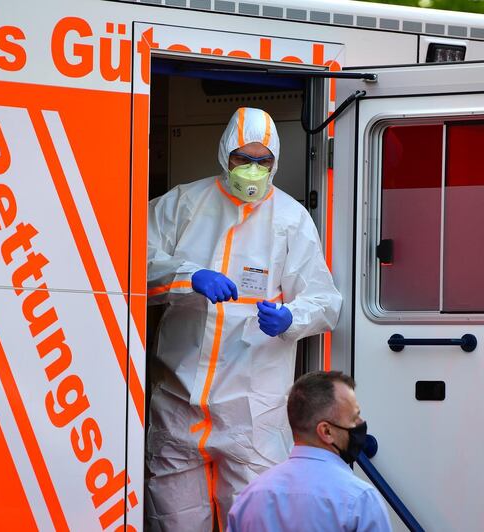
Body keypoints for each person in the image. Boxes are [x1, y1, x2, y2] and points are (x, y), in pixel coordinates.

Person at [145, 107, 342, 531]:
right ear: (224, 155)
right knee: (173, 518)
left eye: (262, 161)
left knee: (257, 519)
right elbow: (127, 259)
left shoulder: (290, 220)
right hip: (179, 400)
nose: (252, 170)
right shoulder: (184, 203)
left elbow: (325, 300)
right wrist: (186, 277)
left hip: (251, 410)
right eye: (242, 159)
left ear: (275, 162)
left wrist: (291, 317)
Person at [226, 371, 392, 532]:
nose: (360, 423)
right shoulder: (360, 500)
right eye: (354, 418)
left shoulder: (250, 496)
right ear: (326, 432)